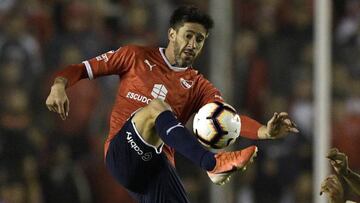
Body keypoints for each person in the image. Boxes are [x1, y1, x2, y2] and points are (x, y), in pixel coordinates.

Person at [45, 5, 298, 202]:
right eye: (188, 35)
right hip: (122, 154)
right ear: (172, 34)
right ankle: (212, 164)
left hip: (158, 167)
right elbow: (81, 68)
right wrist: (59, 85)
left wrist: (264, 131)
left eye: (199, 40)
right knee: (157, 107)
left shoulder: (198, 85)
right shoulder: (134, 56)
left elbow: (227, 120)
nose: (193, 44)